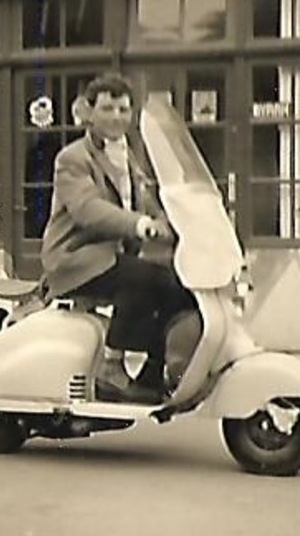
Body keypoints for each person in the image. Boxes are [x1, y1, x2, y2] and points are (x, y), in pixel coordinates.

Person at [39, 73, 196, 404]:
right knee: (144, 280)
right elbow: (87, 208)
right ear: (88, 112)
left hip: (113, 258)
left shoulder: (129, 157)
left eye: (124, 110)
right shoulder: (73, 158)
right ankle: (111, 364)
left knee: (180, 288)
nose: (116, 117)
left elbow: (151, 199)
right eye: (108, 109)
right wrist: (142, 225)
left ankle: (153, 374)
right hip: (77, 259)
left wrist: (186, 221)